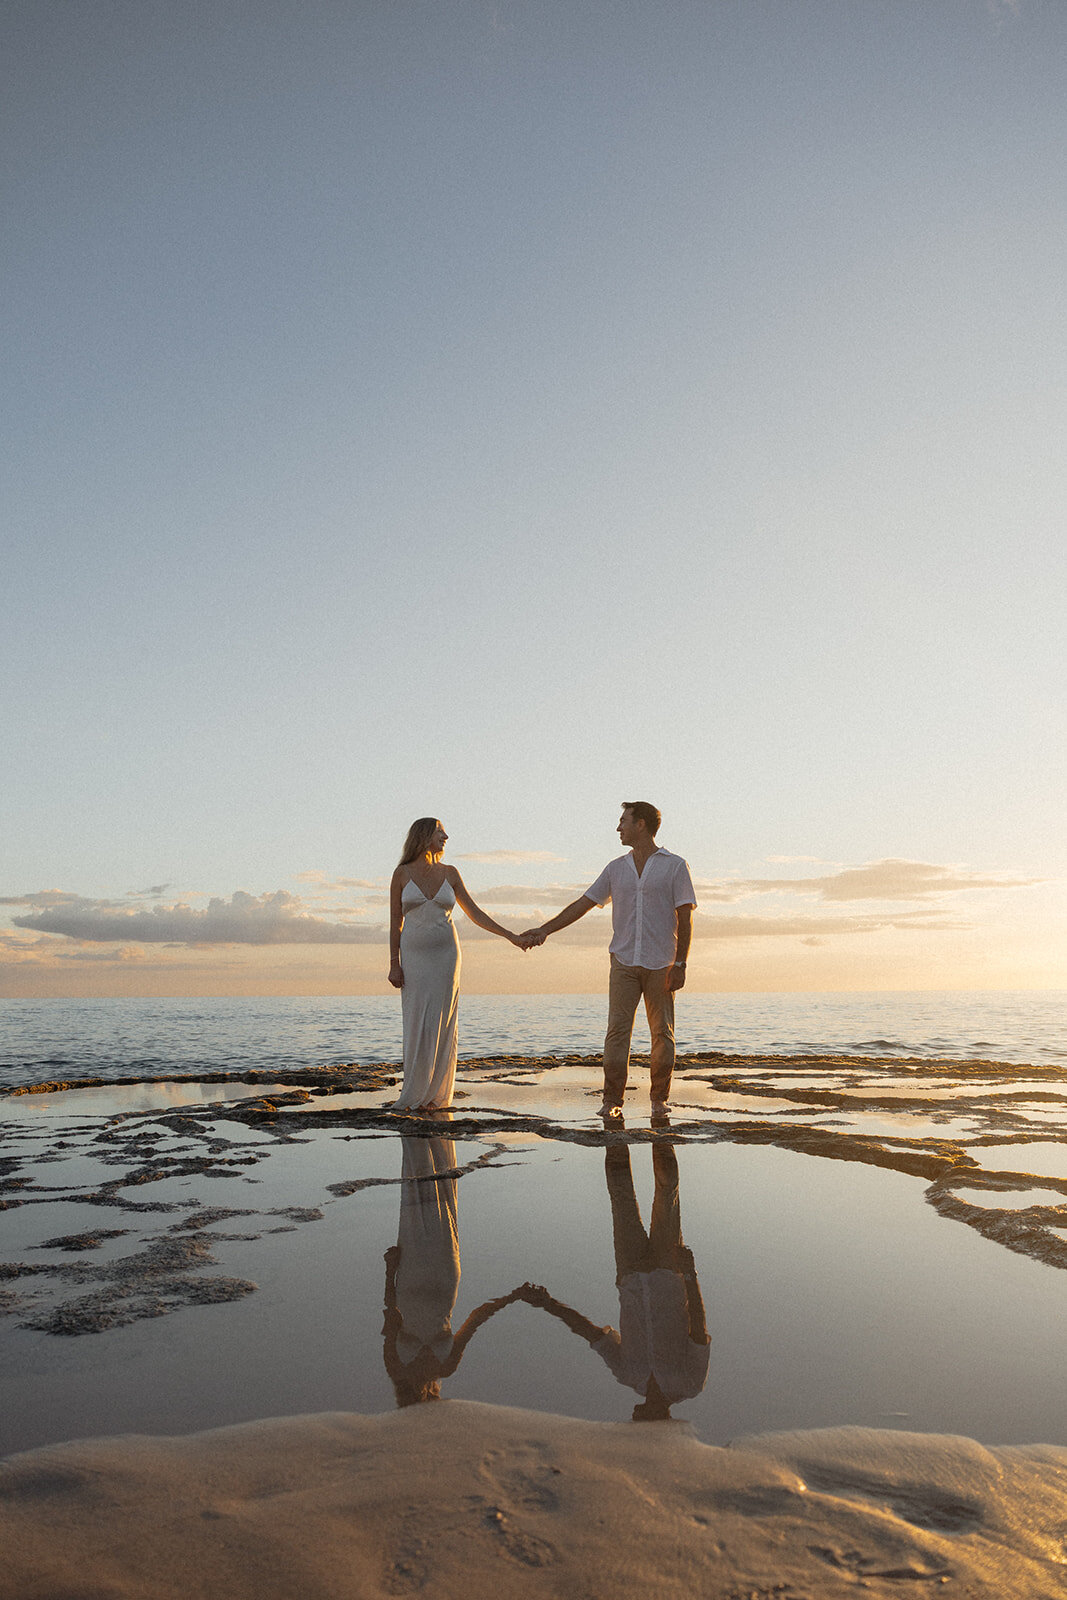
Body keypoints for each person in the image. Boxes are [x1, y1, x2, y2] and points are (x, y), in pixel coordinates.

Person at [520, 802, 696, 1118]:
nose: (618, 828)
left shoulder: (675, 866)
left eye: (623, 821)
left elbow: (685, 916)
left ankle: (659, 1100)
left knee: (663, 1034)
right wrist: (544, 929)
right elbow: (583, 904)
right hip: (624, 962)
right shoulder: (616, 868)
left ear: (641, 824)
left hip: (662, 964)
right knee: (617, 1032)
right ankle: (612, 1101)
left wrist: (681, 964)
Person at [515, 1141, 710, 1421]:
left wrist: (548, 1304)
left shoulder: (627, 1375)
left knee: (620, 1194)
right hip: (669, 1271)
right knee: (667, 1191)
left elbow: (591, 1334)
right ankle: (660, 1119)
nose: (632, 1419)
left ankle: (612, 1119)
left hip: (630, 1272)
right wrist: (690, 1273)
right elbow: (699, 1330)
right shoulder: (690, 1385)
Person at [389, 817, 524, 1111]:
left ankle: (436, 1096)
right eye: (440, 832)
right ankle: (414, 1091)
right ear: (424, 836)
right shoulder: (401, 874)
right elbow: (395, 923)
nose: (446, 836)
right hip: (413, 958)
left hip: (447, 957)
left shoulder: (451, 873)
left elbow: (475, 913)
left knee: (443, 1021)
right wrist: (393, 963)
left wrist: (510, 935)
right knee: (416, 1020)